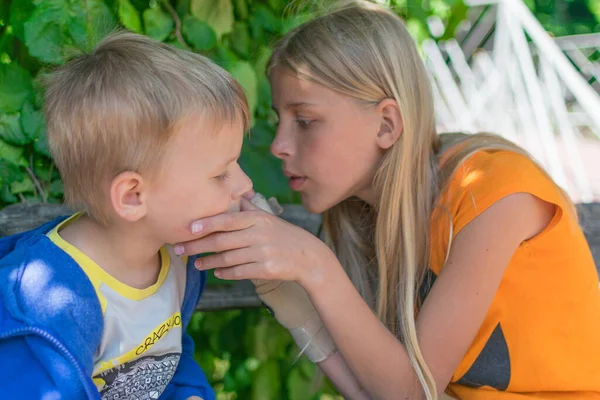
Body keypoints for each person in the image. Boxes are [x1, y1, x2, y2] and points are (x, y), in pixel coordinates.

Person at [173, 1, 600, 399]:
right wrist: (289, 298)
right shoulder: (360, 218)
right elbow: (374, 391)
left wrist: (315, 265)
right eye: (280, 121)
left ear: (386, 125)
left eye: (305, 121)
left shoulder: (494, 190)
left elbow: (414, 392)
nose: (280, 145)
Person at [0, 31, 255, 400]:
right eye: (221, 173)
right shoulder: (47, 311)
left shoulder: (176, 260)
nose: (244, 185)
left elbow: (165, 363)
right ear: (133, 196)